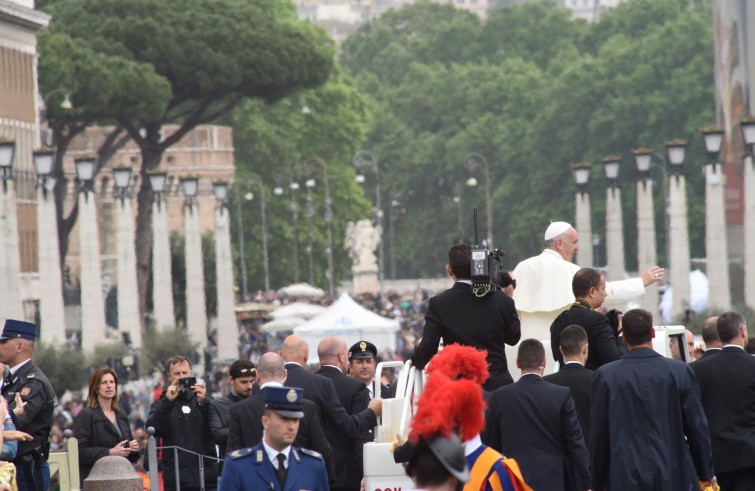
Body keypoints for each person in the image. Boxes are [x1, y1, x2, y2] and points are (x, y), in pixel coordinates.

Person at [512, 221, 663, 375]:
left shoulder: (521, 267)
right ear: (559, 243)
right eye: (574, 242)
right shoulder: (568, 269)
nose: (577, 247)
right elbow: (606, 292)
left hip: (522, 353)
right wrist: (641, 282)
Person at [590, 309, 716, 490]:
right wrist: (706, 471)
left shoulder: (605, 376)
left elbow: (599, 435)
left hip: (625, 475)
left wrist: (597, 481)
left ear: (623, 337)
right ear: (652, 333)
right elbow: (697, 427)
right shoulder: (679, 371)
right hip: (674, 473)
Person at [411, 243, 521, 391]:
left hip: (460, 388)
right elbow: (513, 338)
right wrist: (508, 300)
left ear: (449, 270)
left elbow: (429, 346)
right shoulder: (502, 300)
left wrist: (415, 362)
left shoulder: (439, 303)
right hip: (498, 387)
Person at [484, 339, 589, 491]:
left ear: (518, 363)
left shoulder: (500, 396)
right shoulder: (561, 395)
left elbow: (491, 444)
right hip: (551, 479)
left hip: (513, 479)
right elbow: (575, 443)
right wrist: (586, 479)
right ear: (544, 362)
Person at [225, 352, 333, 480]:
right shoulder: (307, 407)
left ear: (257, 375)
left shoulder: (240, 409)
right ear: (285, 374)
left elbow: (233, 456)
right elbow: (323, 451)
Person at [219, 386, 329, 491]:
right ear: (265, 422)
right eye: (284, 419)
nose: (292, 427)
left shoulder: (313, 466)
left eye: (296, 420)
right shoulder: (238, 466)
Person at [692, 311, 755, 490]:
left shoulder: (698, 369)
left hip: (716, 458)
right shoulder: (752, 366)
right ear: (743, 332)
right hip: (750, 456)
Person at [279, 336, 381, 436]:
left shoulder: (279, 382)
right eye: (347, 355)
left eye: (369, 361)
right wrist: (371, 412)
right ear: (341, 356)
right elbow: (345, 424)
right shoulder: (324, 383)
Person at [0, 319, 57, 491]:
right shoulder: (13, 379)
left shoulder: (33, 383)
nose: (0, 347)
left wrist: (7, 414)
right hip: (13, 465)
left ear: (19, 346)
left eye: (4, 342)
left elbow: (18, 423)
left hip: (27, 465)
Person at [146, 355, 218, 491]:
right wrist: (168, 402)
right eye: (177, 373)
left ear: (191, 374)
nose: (181, 377)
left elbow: (217, 428)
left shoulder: (205, 400)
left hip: (206, 478)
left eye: (185, 373)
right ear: (169, 377)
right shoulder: (161, 404)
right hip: (177, 480)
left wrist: (204, 403)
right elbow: (153, 429)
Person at [315, 337, 370, 491]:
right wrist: (366, 472)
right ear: (341, 356)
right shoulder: (355, 387)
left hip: (314, 469)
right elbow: (359, 435)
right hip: (346, 473)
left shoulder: (309, 384)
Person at [550, 268, 626, 371]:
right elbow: (614, 360)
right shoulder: (598, 320)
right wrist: (620, 334)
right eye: (603, 288)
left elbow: (557, 357)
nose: (605, 294)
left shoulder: (558, 321)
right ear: (592, 292)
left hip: (565, 385)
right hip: (594, 383)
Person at [72, 366, 139, 481]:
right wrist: (110, 452)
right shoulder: (86, 415)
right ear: (96, 388)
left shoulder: (121, 414)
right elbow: (79, 452)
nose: (109, 385)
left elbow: (128, 454)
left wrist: (133, 449)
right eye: (104, 382)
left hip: (121, 478)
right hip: (96, 480)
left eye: (112, 382)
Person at [543, 325, 593, 442]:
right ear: (585, 349)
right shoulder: (597, 379)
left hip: (558, 455)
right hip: (590, 452)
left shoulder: (546, 383)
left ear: (561, 349)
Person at [207, 359, 256, 464]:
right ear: (231, 380)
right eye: (244, 382)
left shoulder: (258, 403)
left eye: (251, 381)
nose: (249, 386)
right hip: (231, 465)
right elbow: (217, 435)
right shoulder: (217, 405)